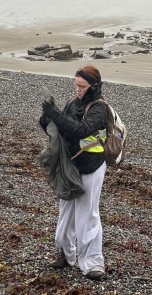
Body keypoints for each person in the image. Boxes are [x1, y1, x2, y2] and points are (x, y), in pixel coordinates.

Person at [38, 65, 112, 281]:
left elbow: (81, 130)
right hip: (71, 164)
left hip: (92, 165)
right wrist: (46, 119)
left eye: (83, 86)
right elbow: (64, 127)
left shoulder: (100, 109)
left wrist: (55, 114)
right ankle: (66, 253)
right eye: (76, 85)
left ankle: (94, 263)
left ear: (94, 86)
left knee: (88, 213)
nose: (78, 89)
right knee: (67, 210)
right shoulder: (72, 103)